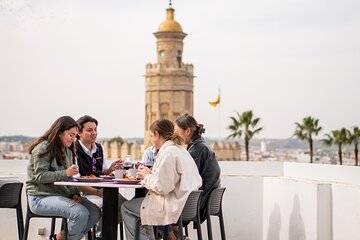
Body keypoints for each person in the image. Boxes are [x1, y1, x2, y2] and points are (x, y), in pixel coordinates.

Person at [121, 119, 202, 240]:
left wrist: (146, 176)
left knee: (126, 208)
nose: (152, 141)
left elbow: (162, 187)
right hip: (185, 204)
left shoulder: (168, 153)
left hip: (170, 204)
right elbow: (169, 179)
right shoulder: (180, 150)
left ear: (157, 134)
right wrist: (150, 174)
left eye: (152, 136)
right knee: (142, 211)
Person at [26, 116, 101, 240]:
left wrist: (75, 194)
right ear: (60, 132)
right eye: (71, 135)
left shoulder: (68, 151)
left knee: (94, 213)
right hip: (40, 197)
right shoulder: (43, 148)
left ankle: (59, 238)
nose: (73, 139)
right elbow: (39, 176)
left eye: (75, 136)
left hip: (60, 195)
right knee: (79, 213)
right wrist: (65, 173)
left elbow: (69, 180)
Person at [75, 115, 128, 239]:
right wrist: (99, 192)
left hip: (103, 191)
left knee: (125, 206)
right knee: (108, 205)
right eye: (89, 130)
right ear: (79, 133)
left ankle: (100, 235)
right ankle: (99, 236)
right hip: (85, 193)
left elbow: (103, 172)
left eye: (95, 129)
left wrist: (111, 169)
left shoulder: (99, 148)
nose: (94, 133)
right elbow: (77, 184)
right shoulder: (73, 150)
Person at [175, 113, 221, 222]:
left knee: (159, 208)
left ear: (187, 131)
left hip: (198, 204)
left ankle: (173, 236)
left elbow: (185, 178)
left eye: (177, 132)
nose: (175, 135)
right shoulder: (200, 146)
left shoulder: (197, 150)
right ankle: (176, 236)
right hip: (205, 201)